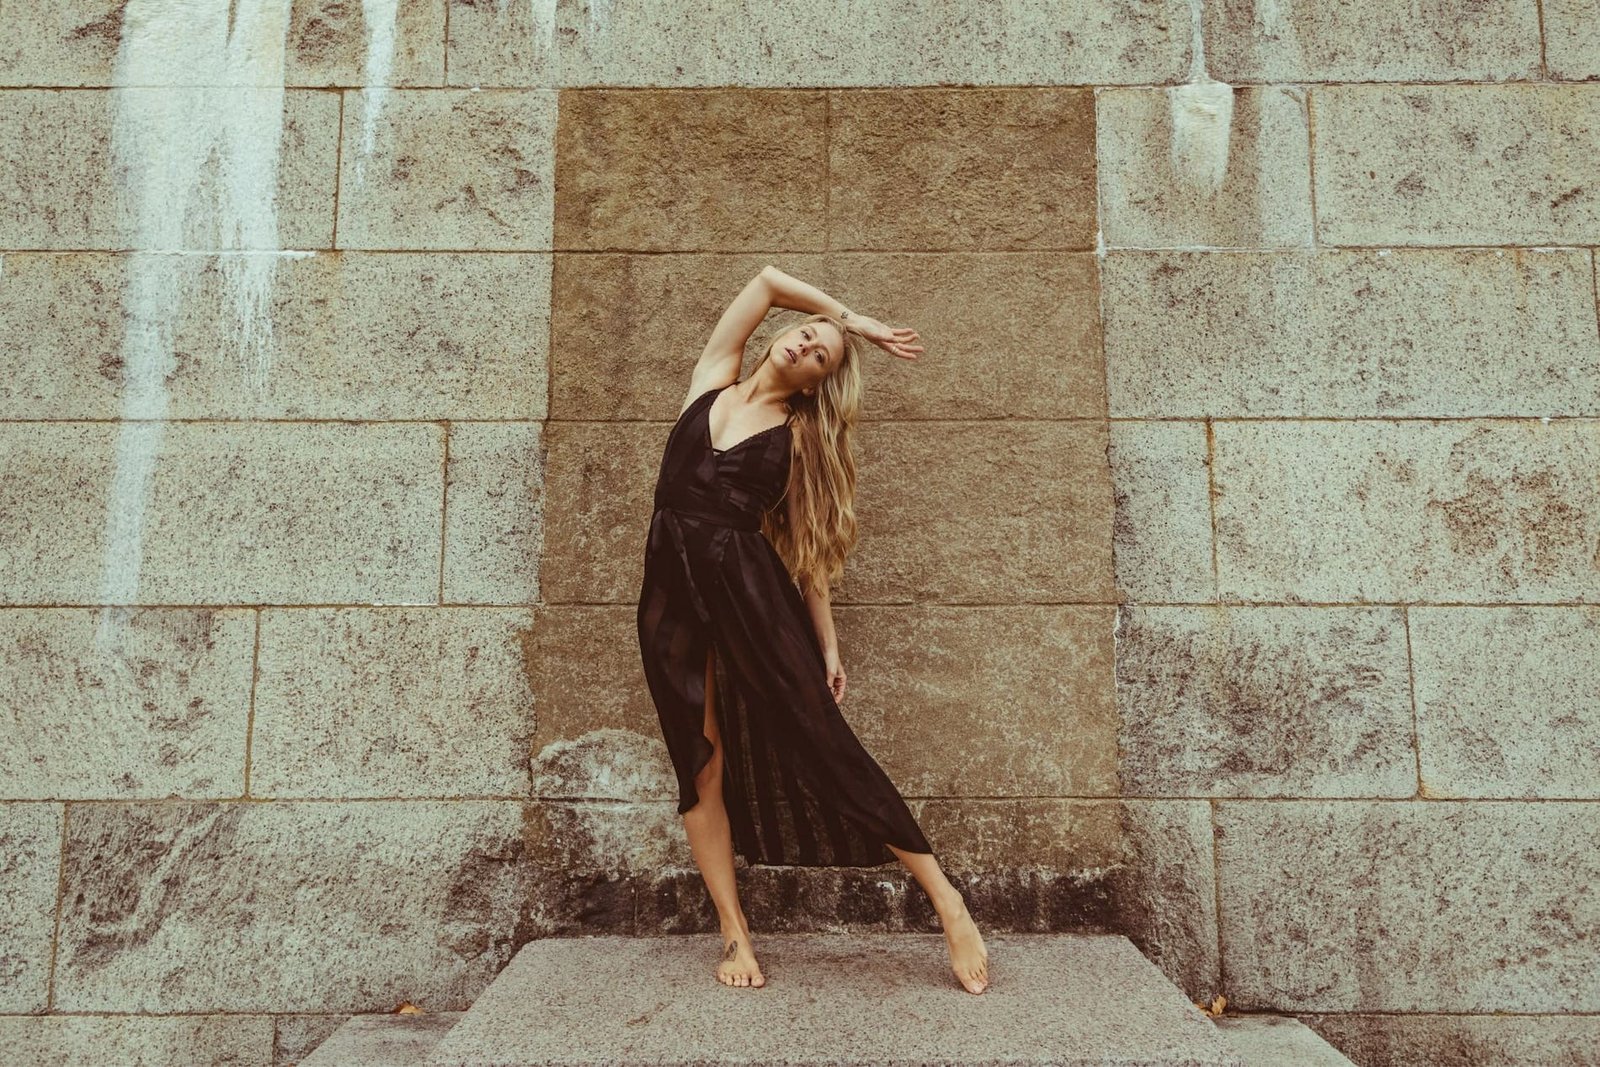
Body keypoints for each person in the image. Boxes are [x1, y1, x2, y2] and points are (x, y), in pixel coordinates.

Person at [636, 264, 990, 995]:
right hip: (669, 597)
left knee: (823, 739)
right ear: (781, 337)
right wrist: (852, 321)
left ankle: (946, 899)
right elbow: (767, 281)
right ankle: (735, 933)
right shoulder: (710, 380)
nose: (804, 345)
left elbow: (809, 556)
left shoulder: (796, 439)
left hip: (752, 595)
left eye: (820, 355)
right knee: (699, 763)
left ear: (814, 384)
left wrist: (826, 644)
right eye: (804, 334)